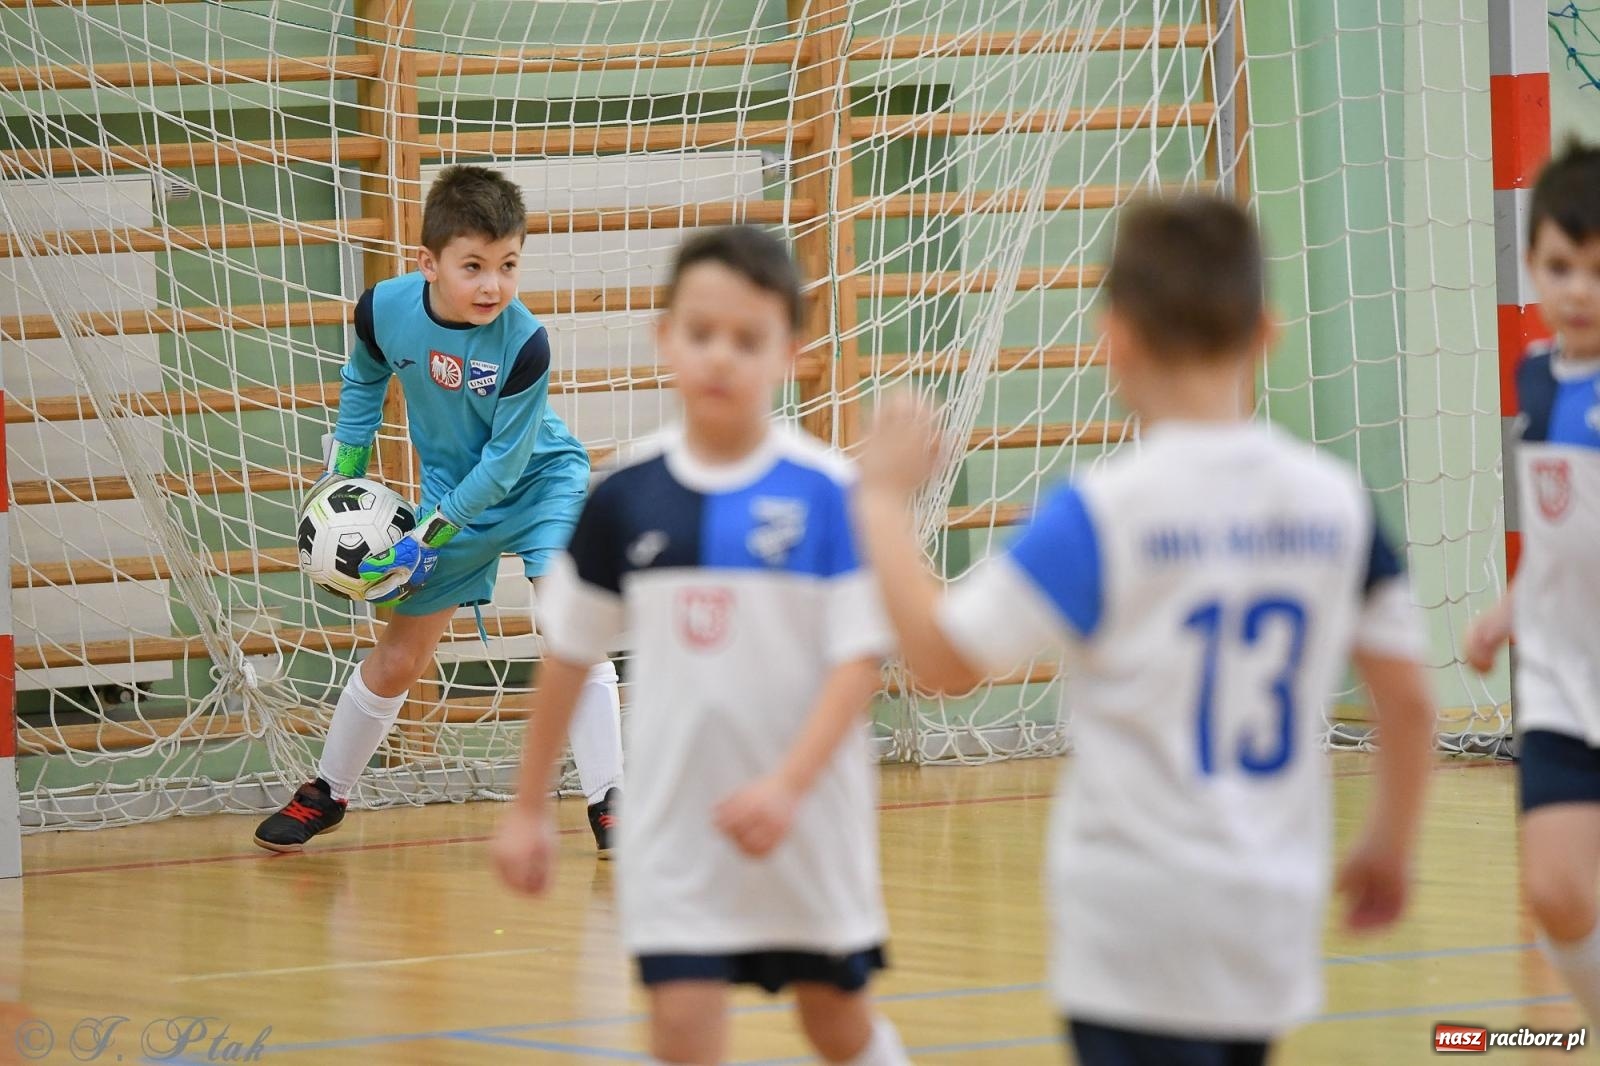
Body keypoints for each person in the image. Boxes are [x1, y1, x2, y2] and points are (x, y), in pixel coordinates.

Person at [856, 196, 1438, 1064]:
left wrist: (881, 501)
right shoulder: (1338, 504)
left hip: (1134, 925)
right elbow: (1411, 703)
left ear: (1115, 339)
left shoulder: (1102, 515)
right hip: (1268, 913)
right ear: (1266, 333)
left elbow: (943, 661)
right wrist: (1389, 844)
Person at [491, 226, 910, 1066]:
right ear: (665, 338)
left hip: (806, 821)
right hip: (676, 829)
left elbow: (856, 662)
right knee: (681, 1032)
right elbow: (569, 654)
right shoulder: (625, 496)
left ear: (789, 353)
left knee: (835, 1022)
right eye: (701, 332)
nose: (721, 355)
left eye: (747, 340)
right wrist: (528, 805)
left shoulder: (828, 494)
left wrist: (787, 787)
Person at [255, 165, 623, 855]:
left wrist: (428, 533)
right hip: (453, 498)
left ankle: (610, 801)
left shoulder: (525, 342)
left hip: (541, 485)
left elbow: (506, 466)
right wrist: (343, 475)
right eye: (473, 266)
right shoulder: (383, 310)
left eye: (508, 265)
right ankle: (326, 794)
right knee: (400, 656)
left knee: (568, 624)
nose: (493, 285)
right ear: (429, 263)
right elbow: (364, 379)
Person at [1465, 140, 1600, 1021]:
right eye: (1560, 268)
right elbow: (1558, 542)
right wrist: (1503, 615)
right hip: (1558, 680)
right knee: (1553, 891)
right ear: (1531, 266)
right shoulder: (1536, 383)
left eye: (1598, 270)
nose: (1579, 290)